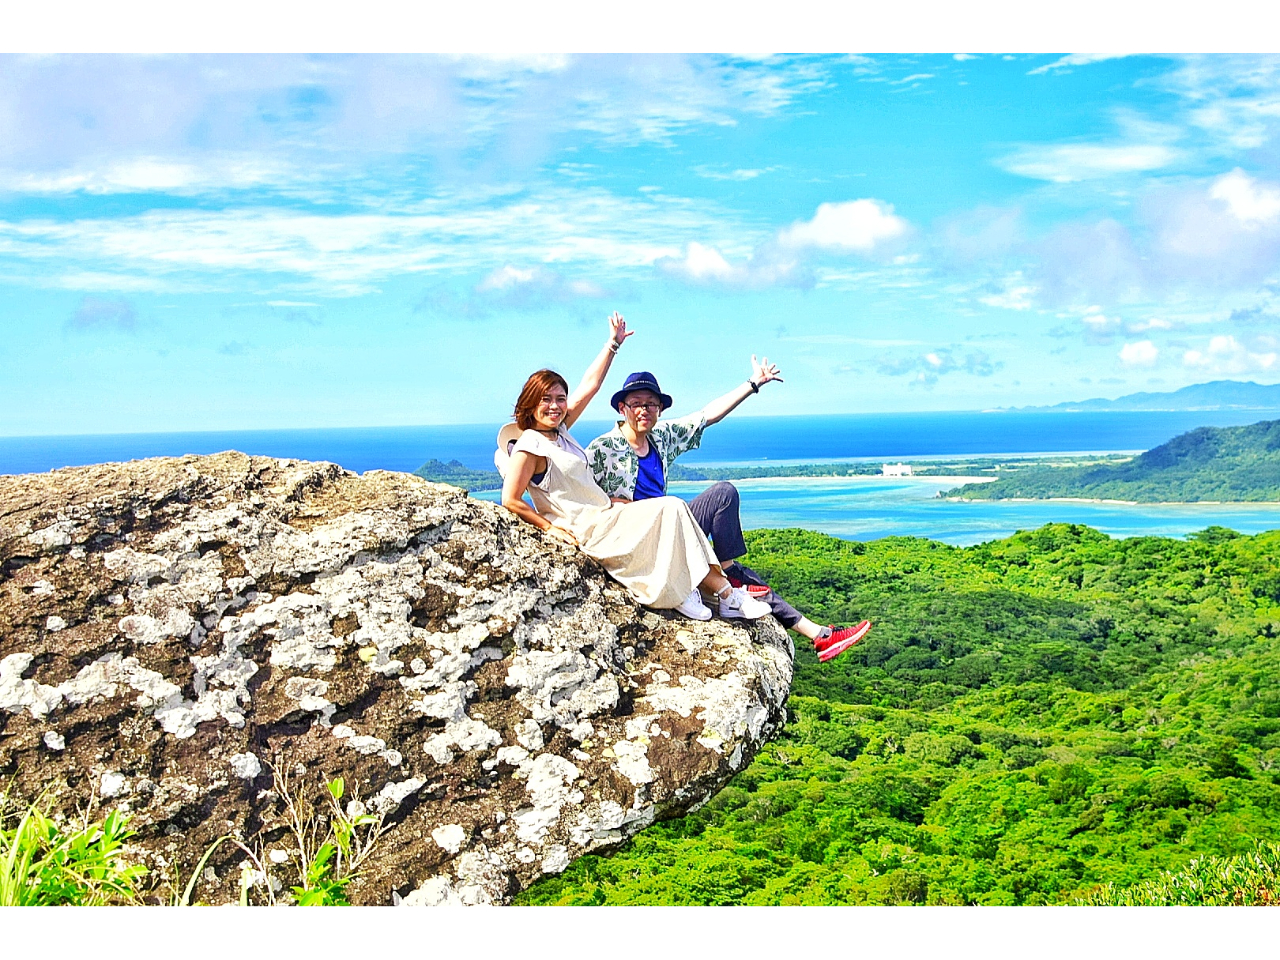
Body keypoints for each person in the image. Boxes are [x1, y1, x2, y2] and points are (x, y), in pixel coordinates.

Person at [586, 364, 871, 663]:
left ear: (659, 409)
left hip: (674, 525)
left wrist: (753, 383)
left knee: (724, 493)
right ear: (622, 408)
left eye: (651, 404)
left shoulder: (662, 437)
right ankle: (814, 632)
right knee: (676, 510)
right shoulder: (604, 448)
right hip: (642, 538)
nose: (644, 410)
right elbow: (578, 487)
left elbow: (708, 415)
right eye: (636, 404)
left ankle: (737, 578)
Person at [496, 313, 773, 622]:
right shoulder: (530, 447)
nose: (556, 406)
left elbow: (590, 386)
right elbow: (511, 499)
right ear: (531, 403)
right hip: (590, 531)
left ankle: (703, 592)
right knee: (671, 507)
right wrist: (550, 528)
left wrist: (612, 344)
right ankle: (723, 593)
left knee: (674, 510)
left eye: (560, 398)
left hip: (607, 516)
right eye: (546, 399)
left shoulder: (559, 432)